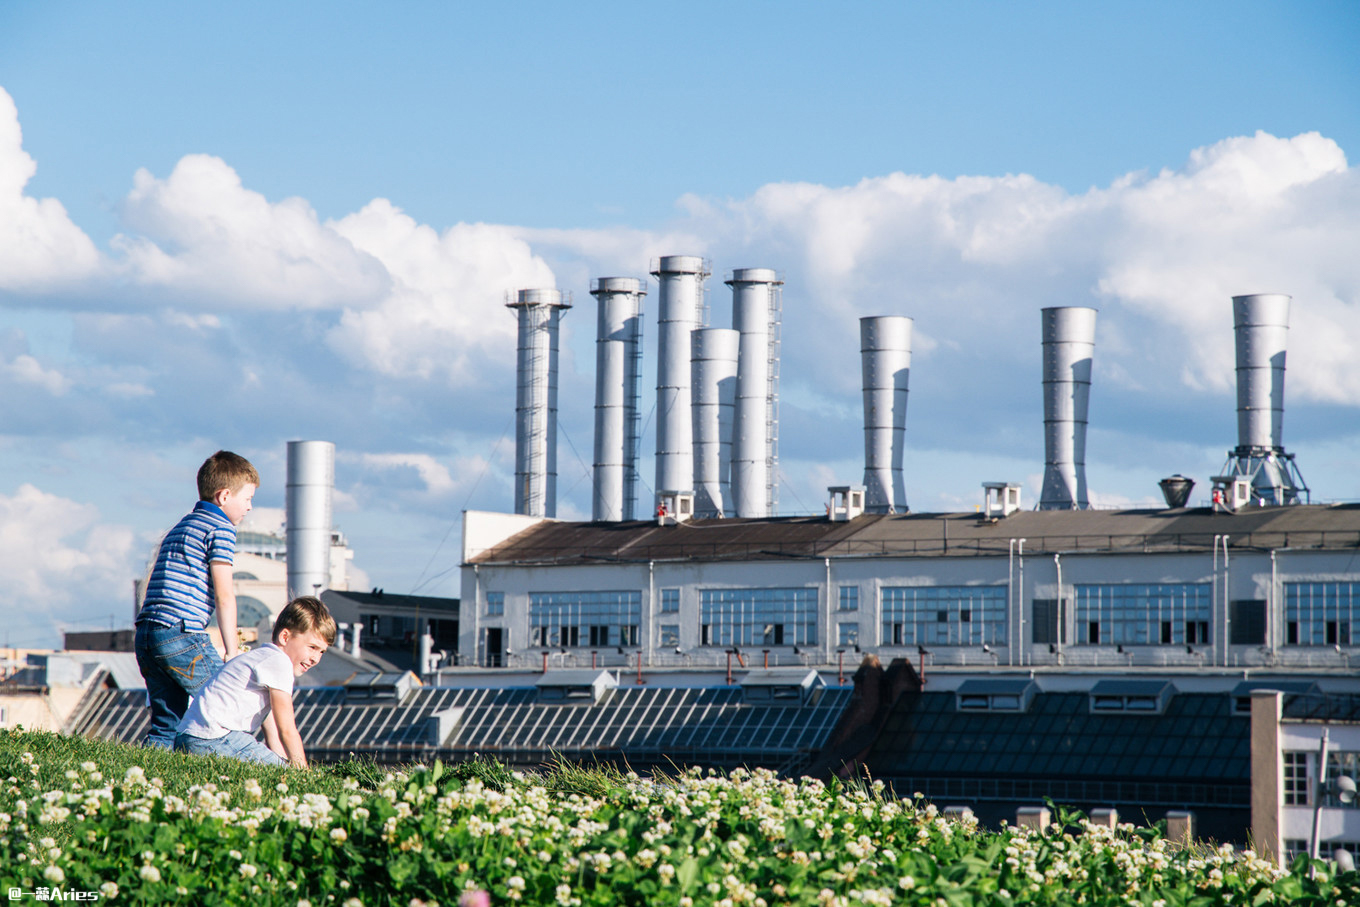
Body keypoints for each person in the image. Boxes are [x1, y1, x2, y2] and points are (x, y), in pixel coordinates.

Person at [134, 450, 259, 748]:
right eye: (248, 498)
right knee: (227, 701)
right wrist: (232, 651)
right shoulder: (221, 528)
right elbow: (224, 595)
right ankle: (249, 763)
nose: (250, 507)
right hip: (181, 633)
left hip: (148, 633)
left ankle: (147, 772)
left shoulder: (180, 527)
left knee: (167, 724)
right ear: (224, 496)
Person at [175, 596, 336, 767]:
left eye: (321, 652)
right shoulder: (279, 662)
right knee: (283, 773)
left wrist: (283, 762)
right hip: (213, 737)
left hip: (190, 736)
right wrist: (302, 771)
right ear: (285, 637)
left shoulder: (262, 658)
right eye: (312, 647)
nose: (316, 658)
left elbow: (274, 732)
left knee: (280, 767)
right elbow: (287, 730)